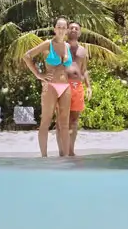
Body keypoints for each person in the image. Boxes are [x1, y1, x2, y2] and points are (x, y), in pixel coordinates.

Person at [22, 16, 74, 157]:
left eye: (64, 27)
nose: (61, 30)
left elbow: (68, 67)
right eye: (59, 27)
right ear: (55, 29)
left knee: (64, 124)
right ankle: (44, 157)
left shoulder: (68, 46)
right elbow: (27, 56)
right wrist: (38, 75)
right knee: (45, 121)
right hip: (50, 86)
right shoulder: (47, 44)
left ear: (67, 30)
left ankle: (66, 156)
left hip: (65, 87)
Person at [58, 20, 91, 157]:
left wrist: (89, 86)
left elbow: (84, 70)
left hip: (78, 87)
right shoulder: (60, 47)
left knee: (74, 120)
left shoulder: (83, 50)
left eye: (76, 28)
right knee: (61, 120)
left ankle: (71, 151)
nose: (73, 30)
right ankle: (62, 151)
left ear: (80, 32)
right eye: (70, 28)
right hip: (63, 86)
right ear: (66, 31)